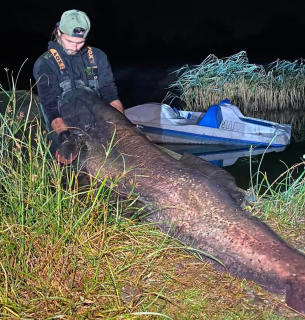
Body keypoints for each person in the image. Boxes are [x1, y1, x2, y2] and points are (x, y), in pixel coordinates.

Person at [33, 9, 124, 163]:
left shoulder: (98, 56)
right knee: (70, 163)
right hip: (62, 125)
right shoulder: (45, 62)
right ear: (58, 32)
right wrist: (65, 136)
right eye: (70, 41)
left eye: (80, 42)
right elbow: (50, 106)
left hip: (97, 123)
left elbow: (110, 94)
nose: (75, 48)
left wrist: (124, 127)